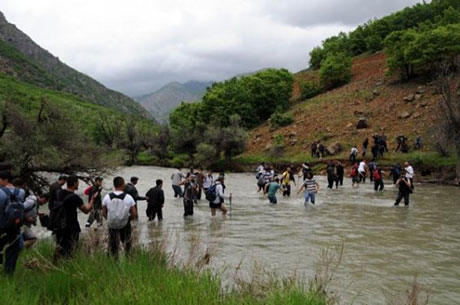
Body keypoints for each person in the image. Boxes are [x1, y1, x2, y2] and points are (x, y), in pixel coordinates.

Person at [54, 175, 96, 261]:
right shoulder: (75, 198)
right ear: (74, 184)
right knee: (71, 250)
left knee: (60, 247)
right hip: (71, 226)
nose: (78, 185)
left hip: (59, 225)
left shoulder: (59, 193)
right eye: (77, 183)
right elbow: (86, 210)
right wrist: (92, 200)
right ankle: (68, 265)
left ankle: (56, 264)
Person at [102, 177, 137, 256]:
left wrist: (109, 219)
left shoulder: (107, 197)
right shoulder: (128, 197)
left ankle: (113, 262)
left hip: (112, 225)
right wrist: (127, 220)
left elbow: (104, 213)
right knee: (127, 246)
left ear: (114, 185)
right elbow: (134, 214)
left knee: (113, 247)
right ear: (123, 184)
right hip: (125, 225)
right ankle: (129, 261)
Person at [0, 171, 25, 275]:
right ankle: (9, 274)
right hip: (15, 225)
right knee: (12, 250)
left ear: (5, 179)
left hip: (2, 225)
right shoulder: (21, 192)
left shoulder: (0, 192)